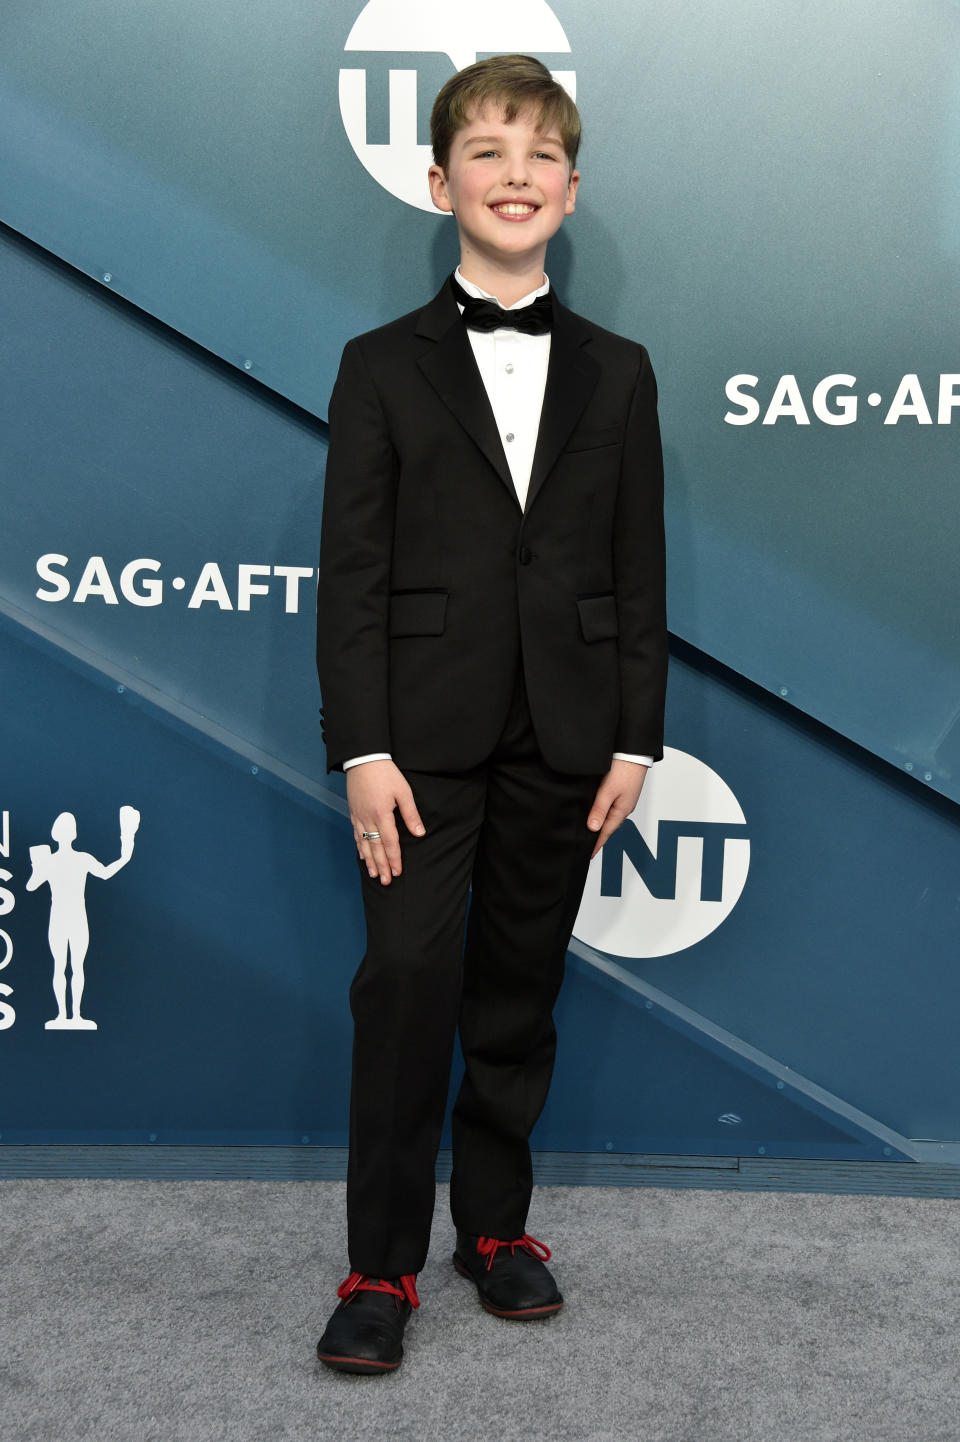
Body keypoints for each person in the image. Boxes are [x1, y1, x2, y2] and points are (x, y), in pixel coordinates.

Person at [315, 54, 667, 1375]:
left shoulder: (621, 374)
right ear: (438, 180)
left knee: (519, 984)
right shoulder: (377, 367)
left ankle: (499, 1227)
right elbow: (349, 576)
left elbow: (639, 569)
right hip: (413, 741)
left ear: (570, 192)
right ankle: (381, 1261)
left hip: (567, 739)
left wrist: (635, 732)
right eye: (487, 152)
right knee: (406, 983)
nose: (513, 176)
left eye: (538, 157)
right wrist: (362, 745)